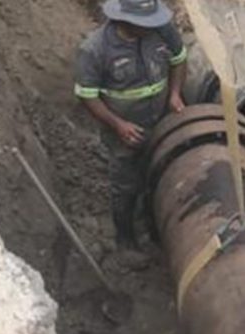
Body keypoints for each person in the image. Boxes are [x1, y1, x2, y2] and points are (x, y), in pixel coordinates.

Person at [74, 0, 187, 268]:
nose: (151, 26)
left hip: (162, 121)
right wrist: (118, 125)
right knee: (126, 185)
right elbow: (87, 95)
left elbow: (179, 59)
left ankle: (155, 225)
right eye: (144, 23)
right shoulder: (95, 49)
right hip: (125, 131)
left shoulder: (162, 30)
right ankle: (126, 242)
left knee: (160, 172)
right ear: (124, 20)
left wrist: (174, 94)